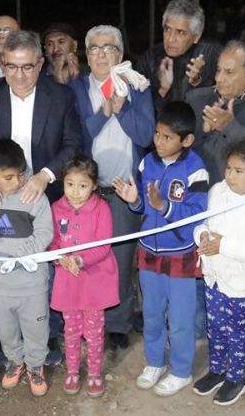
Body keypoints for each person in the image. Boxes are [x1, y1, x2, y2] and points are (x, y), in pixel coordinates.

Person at [67, 24, 155, 350]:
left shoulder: (138, 88)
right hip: (86, 191)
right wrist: (105, 111)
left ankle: (118, 322)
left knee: (119, 259)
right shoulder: (75, 89)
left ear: (120, 55)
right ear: (86, 55)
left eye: (109, 48)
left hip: (122, 190)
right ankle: (85, 318)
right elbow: (77, 140)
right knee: (86, 259)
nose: (102, 54)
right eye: (94, 48)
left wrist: (123, 108)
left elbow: (146, 137)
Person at [113, 102, 209, 396]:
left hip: (179, 253)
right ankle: (155, 362)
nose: (158, 141)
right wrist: (134, 200)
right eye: (157, 134)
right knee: (153, 313)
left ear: (187, 140)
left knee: (180, 319)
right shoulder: (147, 163)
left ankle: (180, 371)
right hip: (149, 251)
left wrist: (163, 206)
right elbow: (144, 206)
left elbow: (197, 214)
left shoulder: (196, 171)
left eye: (167, 137)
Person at [191, 140, 245, 406]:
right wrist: (203, 236)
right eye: (229, 168)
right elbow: (203, 222)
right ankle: (217, 370)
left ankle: (235, 377)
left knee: (238, 332)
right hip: (215, 277)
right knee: (216, 326)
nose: (230, 175)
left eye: (239, 171)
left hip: (243, 284)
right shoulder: (218, 191)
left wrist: (223, 245)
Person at [0, 29, 82, 210]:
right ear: (3, 64)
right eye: (11, 66)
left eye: (27, 67)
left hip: (48, 195)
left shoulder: (60, 96)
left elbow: (73, 143)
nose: (19, 75)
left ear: (40, 64)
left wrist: (45, 176)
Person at [0, 139, 54, 397]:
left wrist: (18, 255)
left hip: (32, 282)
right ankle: (15, 361)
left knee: (36, 327)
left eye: (21, 174)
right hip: (1, 286)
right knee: (6, 328)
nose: (17, 182)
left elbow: (45, 232)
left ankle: (36, 365)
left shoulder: (35, 197)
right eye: (9, 177)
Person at [49, 156, 119, 397]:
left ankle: (95, 373)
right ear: (63, 183)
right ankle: (72, 371)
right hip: (68, 280)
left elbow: (103, 246)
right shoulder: (57, 208)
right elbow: (54, 241)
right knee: (70, 329)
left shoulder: (101, 208)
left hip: (94, 281)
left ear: (95, 185)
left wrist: (80, 260)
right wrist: (60, 258)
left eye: (83, 185)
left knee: (93, 330)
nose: (75, 192)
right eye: (70, 184)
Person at [186, 40, 245, 184]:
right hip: (193, 192)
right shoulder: (197, 98)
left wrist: (230, 127)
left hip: (237, 197)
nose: (219, 79)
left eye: (229, 72)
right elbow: (177, 139)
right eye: (218, 70)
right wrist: (203, 131)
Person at [135, 0, 220, 110]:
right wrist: (162, 90)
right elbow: (137, 109)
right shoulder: (149, 59)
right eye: (167, 29)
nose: (170, 39)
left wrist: (198, 83)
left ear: (196, 37)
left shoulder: (214, 56)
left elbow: (224, 102)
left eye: (180, 32)